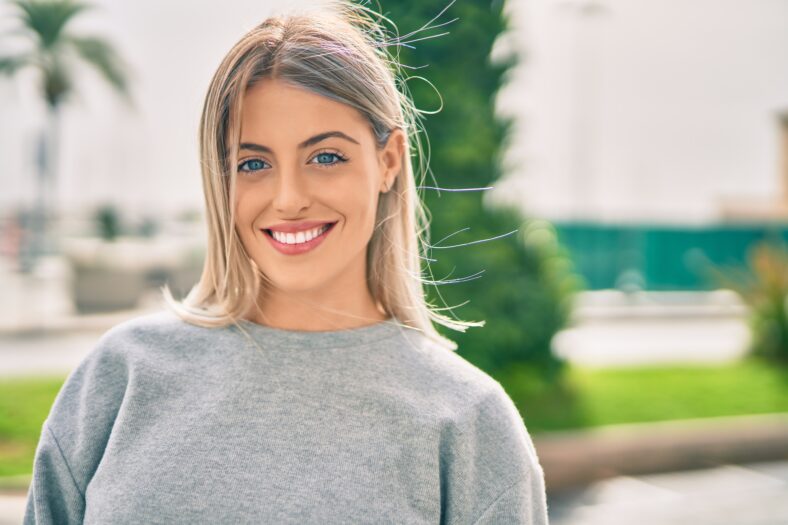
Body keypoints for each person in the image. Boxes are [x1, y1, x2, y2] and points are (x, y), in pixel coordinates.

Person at [23, 2, 549, 523]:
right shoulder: (122, 375)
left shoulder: (468, 420)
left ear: (387, 161)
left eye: (325, 157)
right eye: (253, 163)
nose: (288, 198)